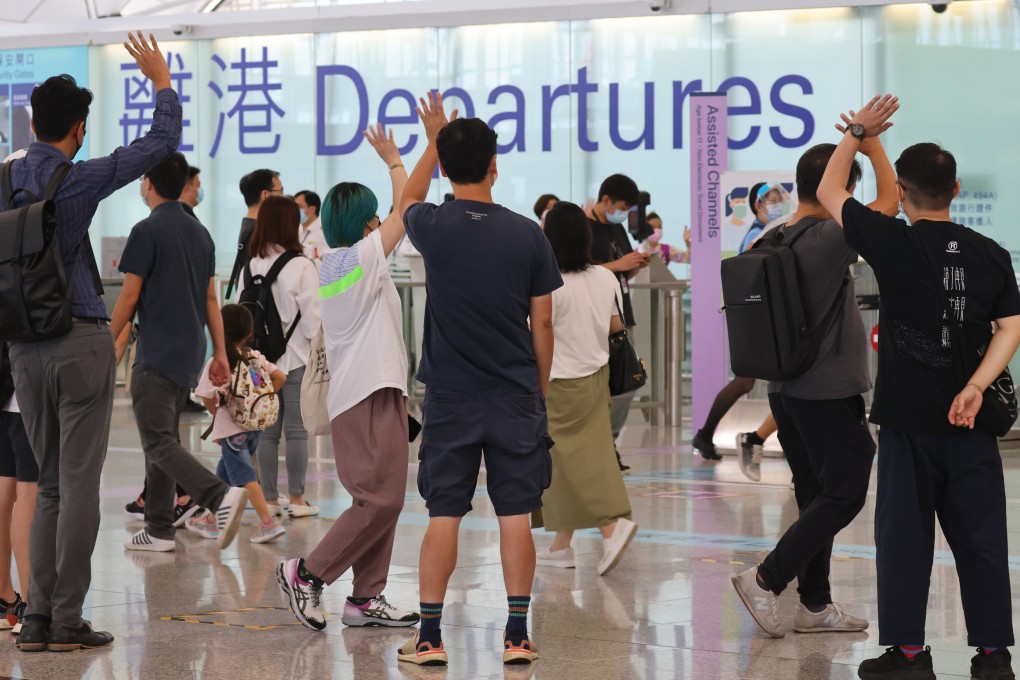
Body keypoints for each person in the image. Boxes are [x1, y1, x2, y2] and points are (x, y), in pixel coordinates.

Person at [817, 96, 1020, 680]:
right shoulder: (991, 254)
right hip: (972, 424)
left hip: (910, 423)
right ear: (956, 189)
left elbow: (833, 192)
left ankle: (908, 656)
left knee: (905, 539)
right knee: (982, 539)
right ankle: (992, 656)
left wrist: (859, 133)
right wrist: (978, 385)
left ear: (902, 194)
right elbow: (1010, 325)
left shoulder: (890, 241)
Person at [6, 32, 181, 654]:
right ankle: (66, 619)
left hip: (22, 351)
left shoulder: (6, 182)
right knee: (76, 485)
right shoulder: (76, 180)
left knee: (47, 483)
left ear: (30, 120)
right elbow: (159, 145)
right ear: (78, 128)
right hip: (79, 340)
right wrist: (160, 80)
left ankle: (35, 619)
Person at [395, 93, 562, 667]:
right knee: (516, 512)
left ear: (446, 166)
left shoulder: (434, 225)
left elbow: (407, 197)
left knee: (445, 512)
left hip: (450, 393)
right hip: (514, 390)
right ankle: (516, 635)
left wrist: (432, 137)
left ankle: (429, 639)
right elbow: (543, 320)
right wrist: (537, 385)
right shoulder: (527, 235)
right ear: (496, 165)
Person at [731, 132, 898, 640]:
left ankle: (815, 604)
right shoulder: (827, 238)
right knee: (846, 492)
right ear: (838, 188)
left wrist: (853, 149)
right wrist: (870, 147)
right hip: (826, 391)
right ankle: (766, 579)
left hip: (785, 391)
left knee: (815, 498)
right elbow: (890, 203)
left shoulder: (776, 235)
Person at [276, 124, 420, 632]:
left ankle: (366, 598)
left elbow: (401, 216)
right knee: (380, 500)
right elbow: (409, 211)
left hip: (377, 392)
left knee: (384, 500)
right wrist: (396, 159)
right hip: (363, 397)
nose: (383, 223)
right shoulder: (351, 261)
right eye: (375, 217)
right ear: (364, 222)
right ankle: (307, 571)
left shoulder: (346, 263)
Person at [111, 150, 249, 557]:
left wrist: (107, 340)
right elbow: (211, 299)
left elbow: (130, 295)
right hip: (189, 352)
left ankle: (218, 495)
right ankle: (158, 527)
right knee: (164, 437)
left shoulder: (146, 229)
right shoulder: (199, 232)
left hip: (157, 351)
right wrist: (220, 351)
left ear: (148, 184)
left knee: (156, 442)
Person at [534, 201, 638, 575]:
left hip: (556, 381)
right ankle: (561, 546)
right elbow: (616, 327)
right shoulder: (605, 278)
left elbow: (537, 330)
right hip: (597, 377)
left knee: (568, 462)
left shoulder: (545, 281)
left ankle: (612, 526)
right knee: (573, 460)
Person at [236, 195, 321, 518]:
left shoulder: (251, 265)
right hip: (296, 356)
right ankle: (297, 499)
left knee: (268, 431)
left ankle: (269, 498)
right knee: (297, 429)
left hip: (261, 362)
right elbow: (313, 321)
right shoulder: (301, 265)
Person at [189, 304, 287, 545]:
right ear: (249, 332)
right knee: (225, 475)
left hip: (233, 431)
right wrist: (260, 400)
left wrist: (220, 414)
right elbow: (280, 377)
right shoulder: (254, 357)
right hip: (254, 428)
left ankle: (267, 522)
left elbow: (206, 396)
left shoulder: (218, 362)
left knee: (244, 476)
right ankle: (211, 520)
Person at [587, 174, 650, 471]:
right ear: (606, 199)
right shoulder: (582, 227)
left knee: (628, 381)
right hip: (593, 318)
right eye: (621, 207)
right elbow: (577, 271)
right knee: (594, 384)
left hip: (622, 315)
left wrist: (633, 267)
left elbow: (620, 274)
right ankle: (597, 447)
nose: (622, 214)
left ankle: (608, 442)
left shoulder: (617, 228)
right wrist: (617, 266)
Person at [0, 345, 36, 637]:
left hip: (4, 388)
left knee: (3, 492)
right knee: (30, 496)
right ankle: (32, 606)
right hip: (25, 393)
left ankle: (5, 599)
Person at [225, 168, 283, 299]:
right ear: (265, 195)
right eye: (280, 191)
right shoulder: (259, 232)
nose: (283, 197)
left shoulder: (250, 226)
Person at [294, 189, 325, 260]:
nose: (295, 210)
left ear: (312, 209)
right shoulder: (296, 229)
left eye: (298, 207)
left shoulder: (324, 232)